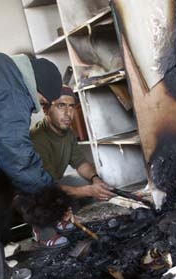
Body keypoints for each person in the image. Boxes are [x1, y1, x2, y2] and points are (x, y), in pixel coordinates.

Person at [0, 49, 62, 279]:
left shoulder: (1, 67)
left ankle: (0, 276)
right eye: (43, 101)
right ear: (37, 87)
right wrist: (49, 196)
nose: (39, 108)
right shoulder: (11, 90)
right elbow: (17, 155)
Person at [30, 86, 114, 244]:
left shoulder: (67, 132)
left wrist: (95, 179)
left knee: (83, 181)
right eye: (61, 106)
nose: (68, 113)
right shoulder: (37, 139)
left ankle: (64, 218)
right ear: (46, 109)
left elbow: (80, 163)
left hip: (51, 185)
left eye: (72, 106)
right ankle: (41, 231)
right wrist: (89, 191)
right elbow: (46, 187)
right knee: (47, 193)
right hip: (30, 193)